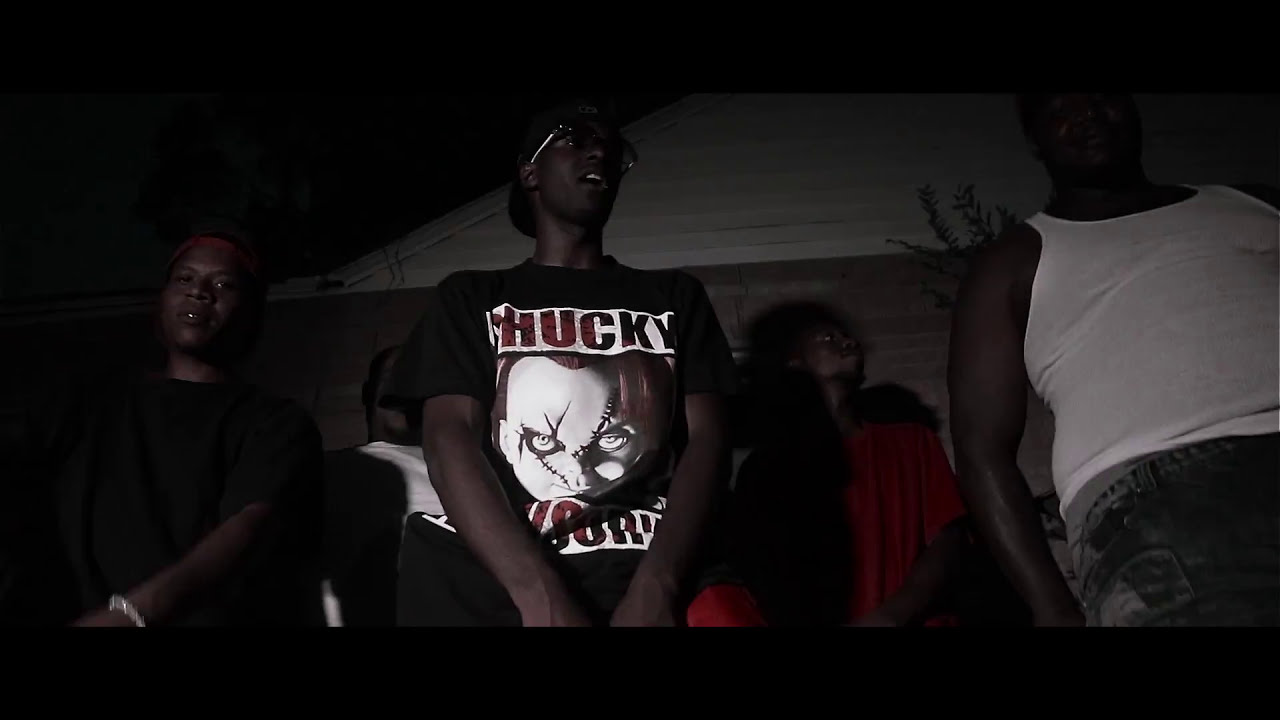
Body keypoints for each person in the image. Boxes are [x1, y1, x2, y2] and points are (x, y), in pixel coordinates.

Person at [383, 98, 761, 626]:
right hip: (502, 569)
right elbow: (449, 438)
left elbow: (710, 440)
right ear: (529, 173)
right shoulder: (471, 298)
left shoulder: (673, 296)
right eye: (573, 138)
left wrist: (658, 586)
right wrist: (540, 595)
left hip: (652, 557)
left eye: (609, 144)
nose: (599, 151)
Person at [949, 93, 1279, 627]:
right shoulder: (1013, 260)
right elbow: (980, 447)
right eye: (1060, 108)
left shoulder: (1255, 203)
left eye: (1101, 97)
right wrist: (1051, 606)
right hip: (1156, 498)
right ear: (1035, 140)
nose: (1086, 115)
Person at [19, 226, 325, 626]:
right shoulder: (87, 403)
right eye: (185, 279)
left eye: (224, 284)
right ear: (161, 299)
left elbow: (248, 530)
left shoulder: (274, 422)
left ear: (250, 309)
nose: (200, 292)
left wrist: (127, 617)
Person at [728, 301, 973, 626]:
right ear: (794, 362)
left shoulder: (914, 443)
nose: (849, 342)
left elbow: (949, 541)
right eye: (828, 338)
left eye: (847, 337)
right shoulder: (766, 469)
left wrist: (890, 616)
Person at [321, 344, 442, 626]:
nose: (403, 386)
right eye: (392, 376)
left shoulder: (469, 472)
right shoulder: (323, 469)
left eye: (414, 377)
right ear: (369, 392)